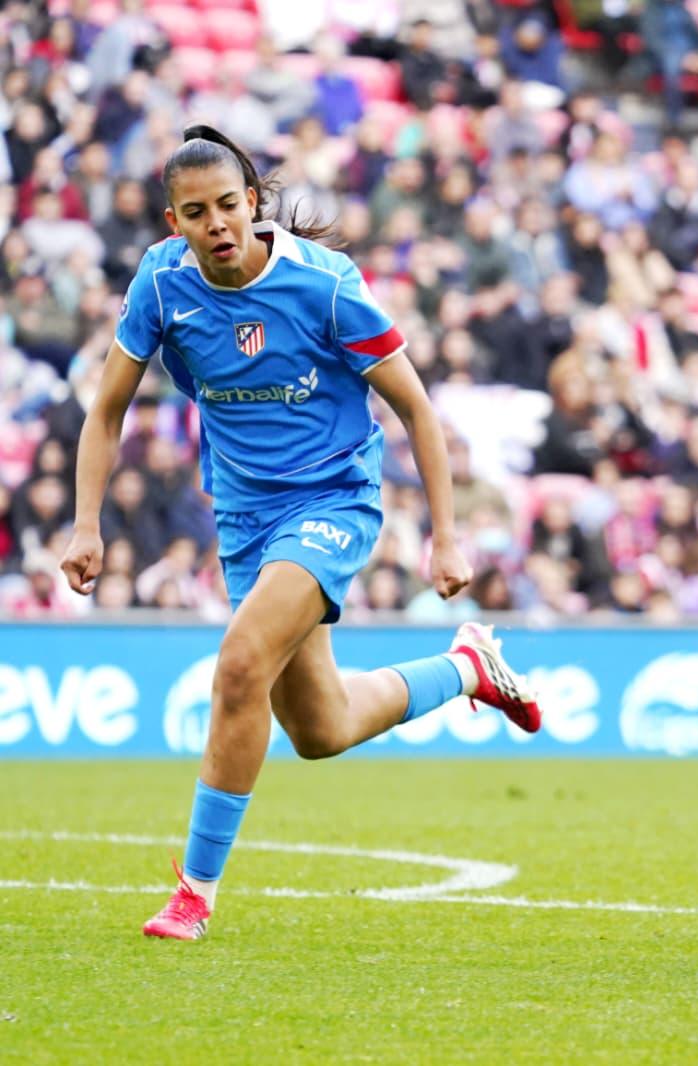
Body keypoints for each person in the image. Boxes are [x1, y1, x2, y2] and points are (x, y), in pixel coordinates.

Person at [59, 126, 543, 941]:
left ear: (251, 202)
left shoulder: (324, 285)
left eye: (227, 205)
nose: (215, 224)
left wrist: (446, 536)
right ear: (174, 223)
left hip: (333, 502)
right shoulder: (161, 285)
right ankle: (467, 668)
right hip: (244, 519)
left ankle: (194, 894)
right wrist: (85, 524)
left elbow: (417, 409)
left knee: (240, 662)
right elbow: (106, 411)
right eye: (195, 213)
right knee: (322, 729)